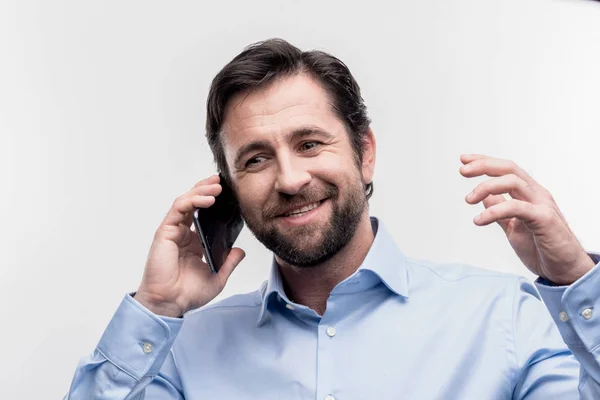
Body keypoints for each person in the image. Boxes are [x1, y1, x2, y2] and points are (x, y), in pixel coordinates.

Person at [65, 39, 600, 399]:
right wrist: (156, 307)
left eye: (310, 143)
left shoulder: (506, 317)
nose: (291, 178)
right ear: (227, 189)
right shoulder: (181, 353)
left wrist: (576, 280)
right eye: (255, 158)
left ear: (364, 153)